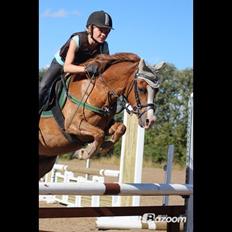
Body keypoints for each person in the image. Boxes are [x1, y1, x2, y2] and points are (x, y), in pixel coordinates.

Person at [39, 10, 113, 113]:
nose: (104, 34)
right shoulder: (77, 39)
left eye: (107, 31)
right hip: (61, 64)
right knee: (42, 87)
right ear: (90, 28)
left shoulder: (104, 47)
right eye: (101, 30)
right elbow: (67, 67)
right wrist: (86, 69)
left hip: (81, 68)